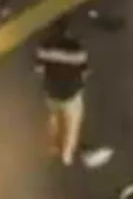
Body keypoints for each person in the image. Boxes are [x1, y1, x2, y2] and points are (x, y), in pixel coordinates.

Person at [36, 19, 113, 168]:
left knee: (54, 115)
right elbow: (83, 72)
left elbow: (39, 70)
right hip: (71, 93)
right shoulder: (76, 48)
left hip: (51, 91)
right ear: (66, 32)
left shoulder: (44, 47)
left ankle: (53, 145)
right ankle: (67, 156)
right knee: (73, 122)